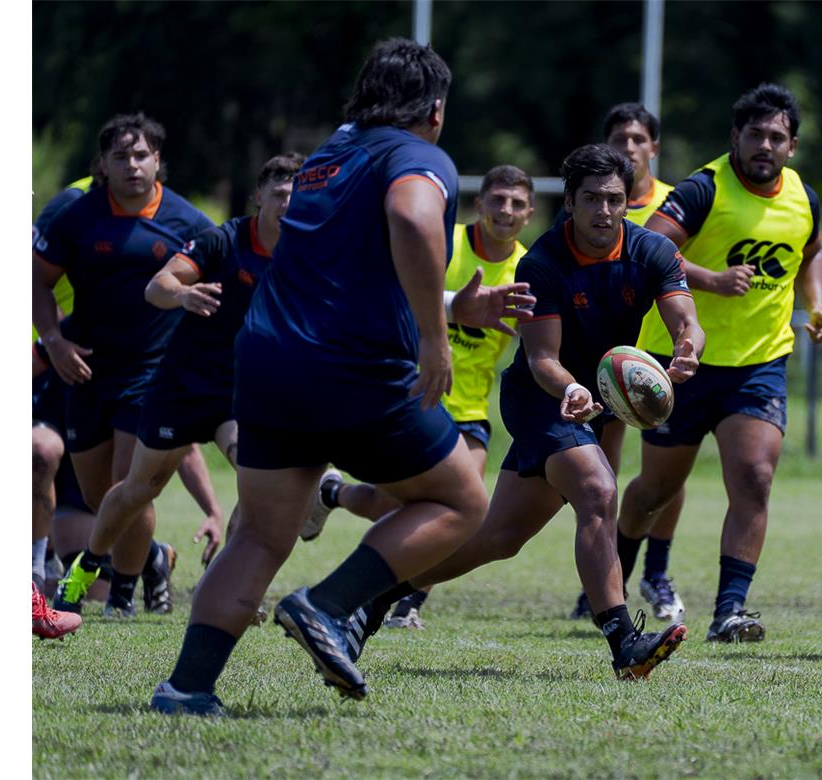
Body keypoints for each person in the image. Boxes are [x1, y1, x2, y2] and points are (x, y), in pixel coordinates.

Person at [151, 38, 535, 715]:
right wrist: (434, 337)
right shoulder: (419, 155)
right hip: (353, 368)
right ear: (436, 110)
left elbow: (349, 270)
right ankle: (327, 605)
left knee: (260, 535)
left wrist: (452, 303)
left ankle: (186, 688)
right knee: (462, 501)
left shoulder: (330, 155)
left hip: (268, 361)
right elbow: (414, 220)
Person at [357, 144, 702, 682]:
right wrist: (571, 390)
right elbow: (542, 358)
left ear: (627, 204)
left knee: (498, 538)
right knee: (598, 489)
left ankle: (377, 593)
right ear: (569, 201)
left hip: (593, 399)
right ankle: (624, 644)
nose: (604, 211)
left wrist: (687, 344)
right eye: (591, 199)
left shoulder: (652, 252)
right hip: (542, 397)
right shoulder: (542, 261)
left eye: (614, 199)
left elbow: (687, 318)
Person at [619, 83, 822, 642]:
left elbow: (812, 251)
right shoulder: (702, 189)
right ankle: (613, 573)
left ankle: (730, 611)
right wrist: (712, 279)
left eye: (777, 137)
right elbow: (649, 244)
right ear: (735, 137)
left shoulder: (804, 198)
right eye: (755, 134)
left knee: (756, 477)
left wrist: (814, 303)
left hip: (758, 364)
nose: (765, 144)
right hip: (682, 359)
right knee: (655, 491)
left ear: (791, 146)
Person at [53, 153, 303, 618]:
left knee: (255, 478)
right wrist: (184, 293)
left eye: (301, 196)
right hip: (182, 384)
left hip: (242, 392)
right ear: (260, 198)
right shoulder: (223, 241)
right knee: (137, 488)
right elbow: (157, 286)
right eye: (282, 196)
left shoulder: (311, 254)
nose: (291, 205)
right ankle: (85, 569)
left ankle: (229, 584)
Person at [315, 165, 536, 631]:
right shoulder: (443, 241)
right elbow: (393, 294)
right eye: (497, 199)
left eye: (517, 204)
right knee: (393, 507)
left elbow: (537, 343)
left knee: (465, 507)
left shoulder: (528, 270)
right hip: (411, 391)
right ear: (480, 204)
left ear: (530, 214)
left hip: (471, 407)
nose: (506, 210)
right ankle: (334, 493)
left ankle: (407, 603)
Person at [33, 113, 215, 617]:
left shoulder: (189, 223)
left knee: (127, 487)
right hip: (86, 369)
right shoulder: (75, 216)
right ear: (103, 166)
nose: (132, 165)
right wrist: (55, 341)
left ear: (158, 161)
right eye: (121, 157)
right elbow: (37, 281)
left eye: (141, 155)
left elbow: (225, 286)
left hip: (154, 372)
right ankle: (152, 557)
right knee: (99, 496)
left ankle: (121, 595)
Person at [568, 102, 689, 623]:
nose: (630, 147)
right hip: (610, 356)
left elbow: (678, 264)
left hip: (661, 352)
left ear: (653, 148)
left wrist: (689, 333)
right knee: (605, 473)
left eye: (639, 139)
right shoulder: (587, 205)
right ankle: (603, 578)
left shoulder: (675, 203)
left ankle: (656, 573)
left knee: (666, 473)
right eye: (620, 138)